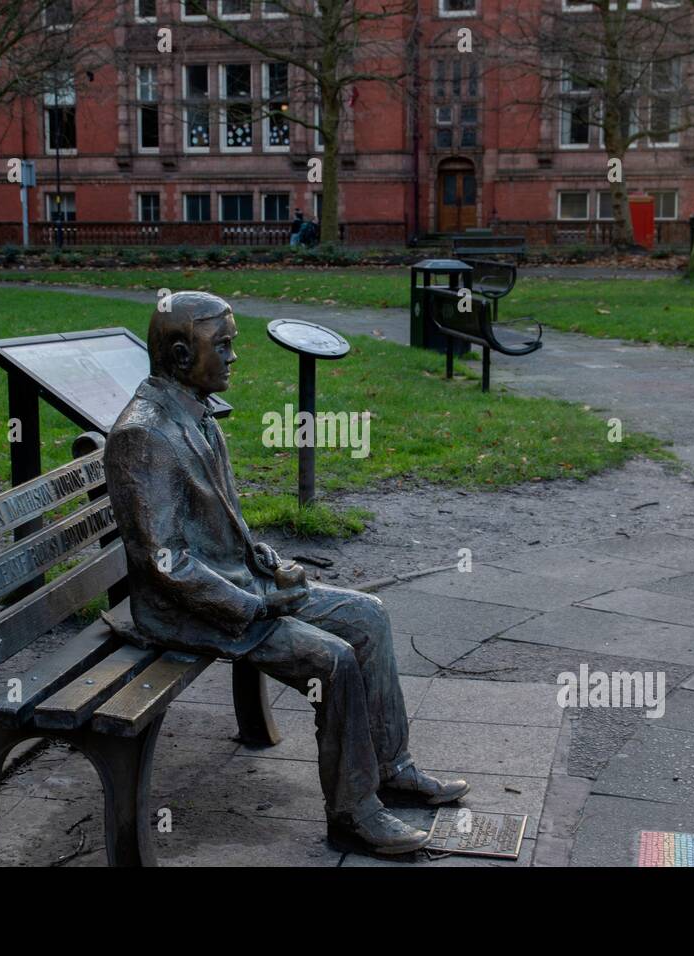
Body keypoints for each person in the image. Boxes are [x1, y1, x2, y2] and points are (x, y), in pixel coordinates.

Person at [104, 291, 469, 855]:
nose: (233, 357)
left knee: (367, 615)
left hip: (238, 584)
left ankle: (391, 768)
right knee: (333, 657)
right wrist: (256, 605)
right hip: (186, 610)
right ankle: (353, 811)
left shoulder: (196, 413)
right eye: (221, 346)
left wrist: (266, 559)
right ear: (180, 356)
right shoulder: (143, 435)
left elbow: (219, 525)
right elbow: (165, 563)